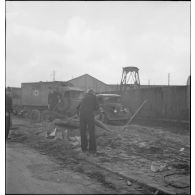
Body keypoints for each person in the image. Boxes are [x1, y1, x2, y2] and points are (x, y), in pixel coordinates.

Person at [78, 89, 99, 155]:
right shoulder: (94, 97)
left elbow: (78, 107)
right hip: (89, 115)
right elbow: (97, 107)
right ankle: (92, 150)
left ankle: (84, 149)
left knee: (83, 132)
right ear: (93, 93)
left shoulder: (84, 97)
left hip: (82, 115)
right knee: (91, 132)